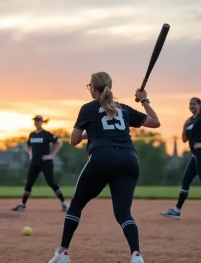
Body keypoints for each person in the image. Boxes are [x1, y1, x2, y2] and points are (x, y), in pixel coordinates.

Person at [48, 71, 160, 263]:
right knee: (123, 213)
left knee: (76, 204)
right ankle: (136, 255)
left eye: (89, 86)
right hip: (129, 159)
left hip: (102, 158)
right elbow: (155, 122)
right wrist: (144, 99)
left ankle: (63, 253)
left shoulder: (88, 108)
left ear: (93, 88)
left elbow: (73, 140)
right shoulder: (123, 108)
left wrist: (88, 134)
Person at [12, 115, 69, 212]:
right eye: (35, 120)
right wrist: (30, 154)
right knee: (29, 183)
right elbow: (28, 145)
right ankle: (22, 204)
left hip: (46, 162)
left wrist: (52, 155)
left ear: (42, 122)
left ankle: (64, 203)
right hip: (35, 162)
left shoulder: (46, 134)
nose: (36, 122)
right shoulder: (32, 134)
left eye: (38, 120)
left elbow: (59, 143)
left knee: (51, 182)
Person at [160, 97, 201, 219]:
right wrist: (184, 125)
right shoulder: (190, 121)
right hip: (195, 155)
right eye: (190, 104)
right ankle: (176, 210)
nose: (191, 106)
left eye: (194, 104)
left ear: (200, 106)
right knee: (186, 180)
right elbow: (184, 139)